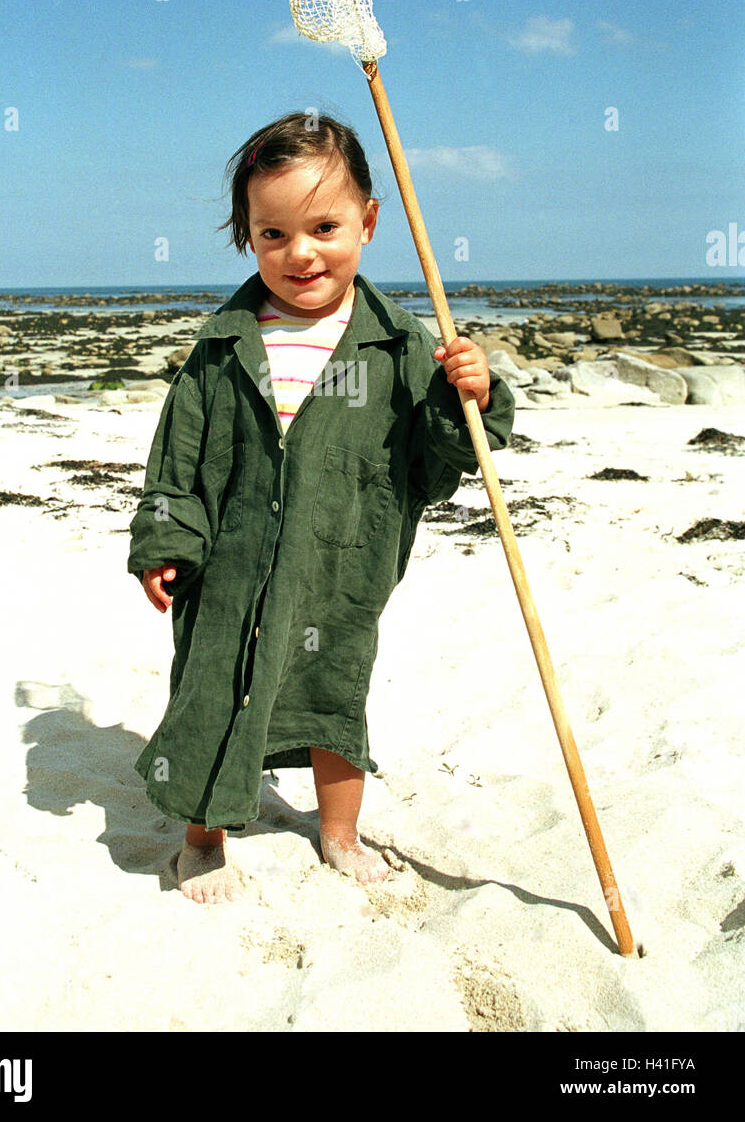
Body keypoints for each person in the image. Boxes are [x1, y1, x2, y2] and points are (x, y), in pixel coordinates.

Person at [127, 112, 515, 904]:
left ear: (369, 222)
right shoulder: (222, 345)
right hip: (229, 566)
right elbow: (179, 453)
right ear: (248, 238)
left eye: (325, 227)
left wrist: (472, 393)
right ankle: (203, 838)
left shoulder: (403, 347)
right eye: (273, 234)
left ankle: (338, 831)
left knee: (335, 685)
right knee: (211, 687)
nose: (300, 253)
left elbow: (438, 460)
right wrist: (165, 537)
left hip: (340, 561)